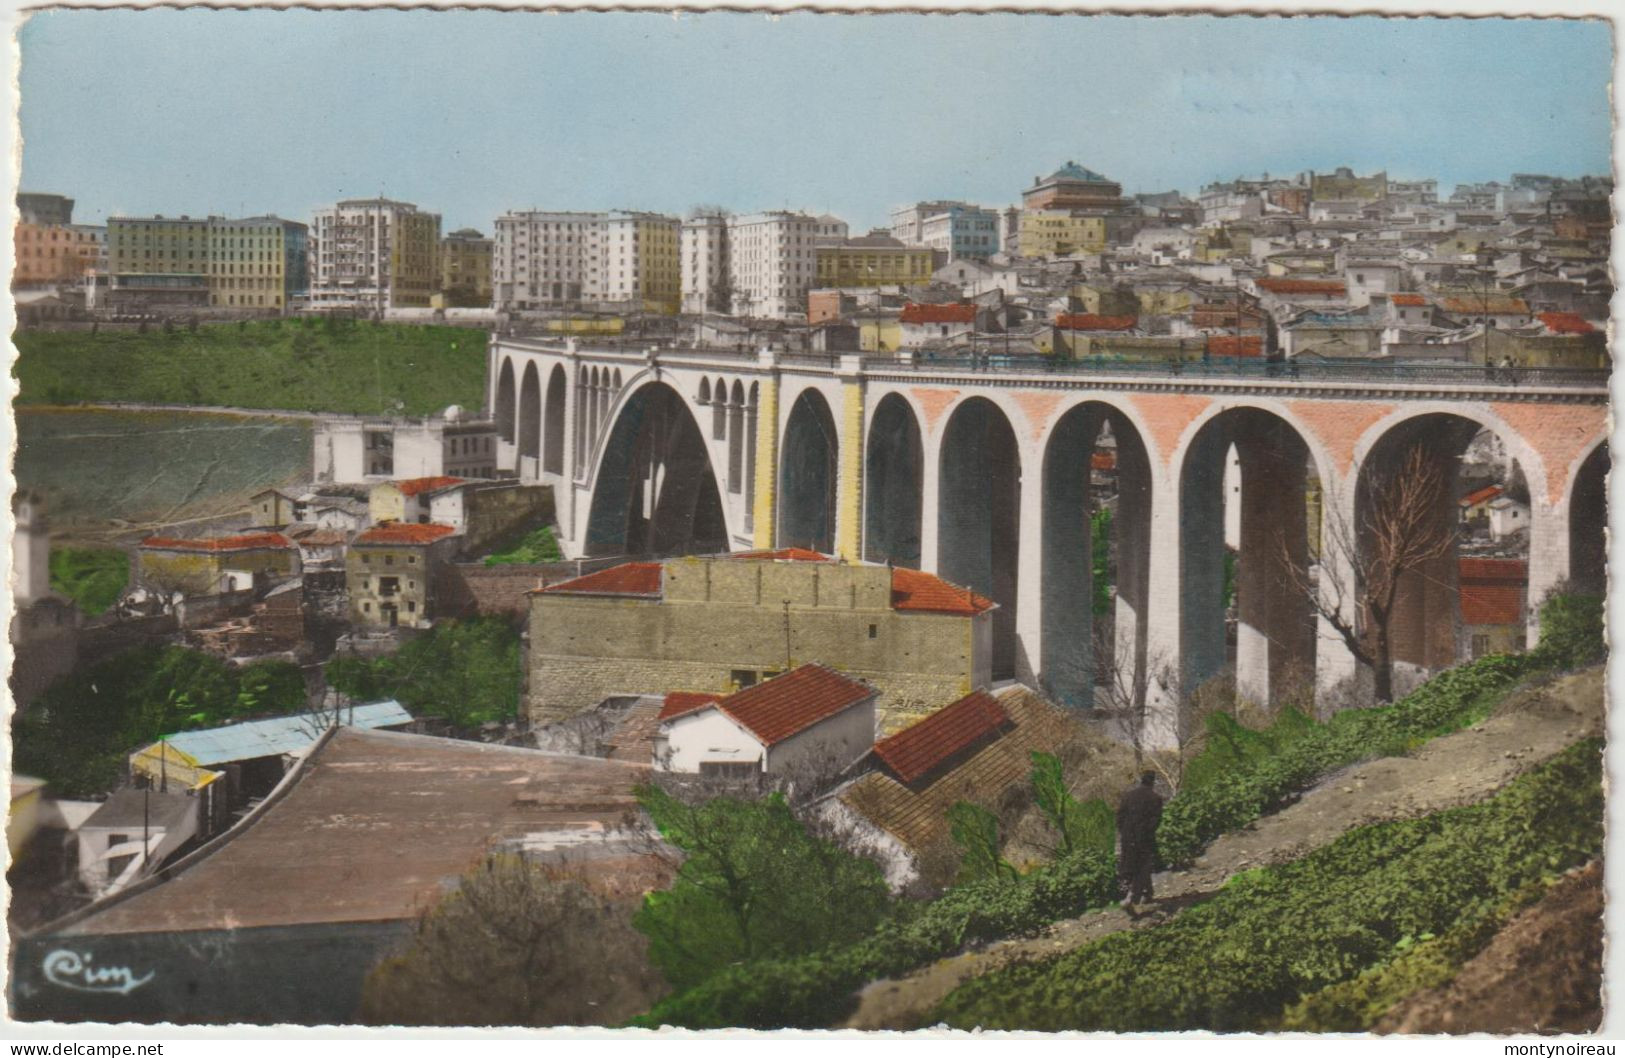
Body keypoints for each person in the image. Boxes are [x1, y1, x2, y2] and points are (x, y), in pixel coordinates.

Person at [1116, 770, 1164, 912]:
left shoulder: (1128, 796)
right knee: (1143, 866)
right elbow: (1155, 821)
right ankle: (1132, 898)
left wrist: (1125, 833)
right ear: (1153, 782)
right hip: (1144, 838)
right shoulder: (1155, 798)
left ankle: (1148, 893)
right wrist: (1147, 834)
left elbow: (1119, 817)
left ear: (1141, 780)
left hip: (1127, 837)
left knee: (1135, 865)